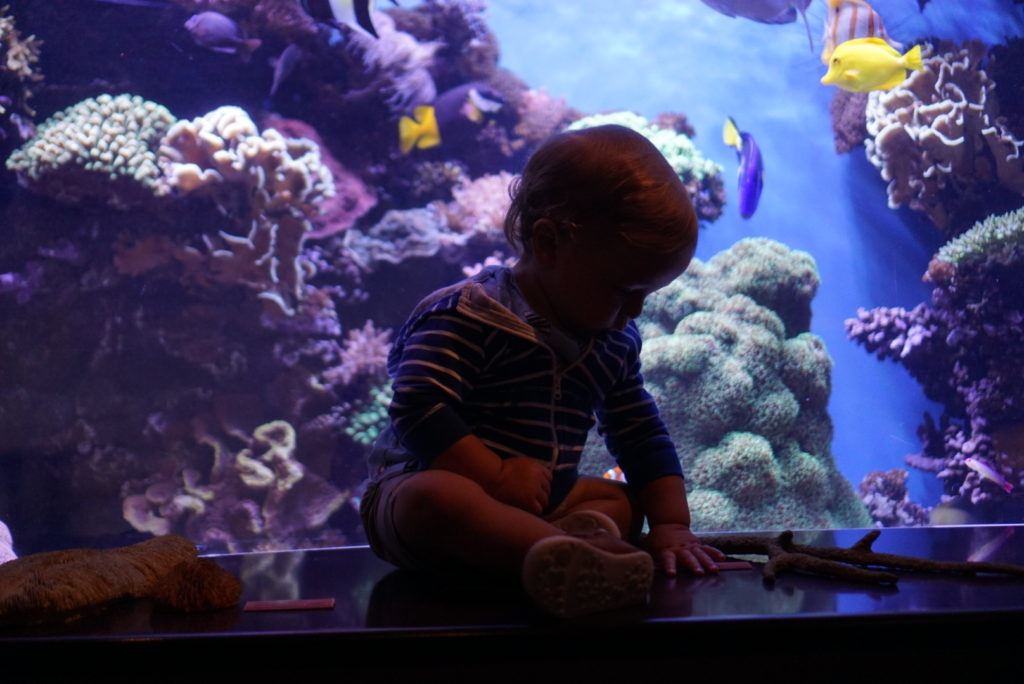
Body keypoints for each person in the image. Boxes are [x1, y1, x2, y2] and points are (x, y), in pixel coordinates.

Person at [360, 124, 725, 618]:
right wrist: (495, 475)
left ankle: (548, 552)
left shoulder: (612, 342)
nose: (635, 311)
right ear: (548, 242)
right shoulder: (470, 316)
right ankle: (558, 549)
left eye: (647, 295)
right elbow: (419, 403)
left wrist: (672, 526)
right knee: (435, 499)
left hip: (538, 502)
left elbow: (640, 434)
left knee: (627, 503)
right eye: (623, 290)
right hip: (428, 487)